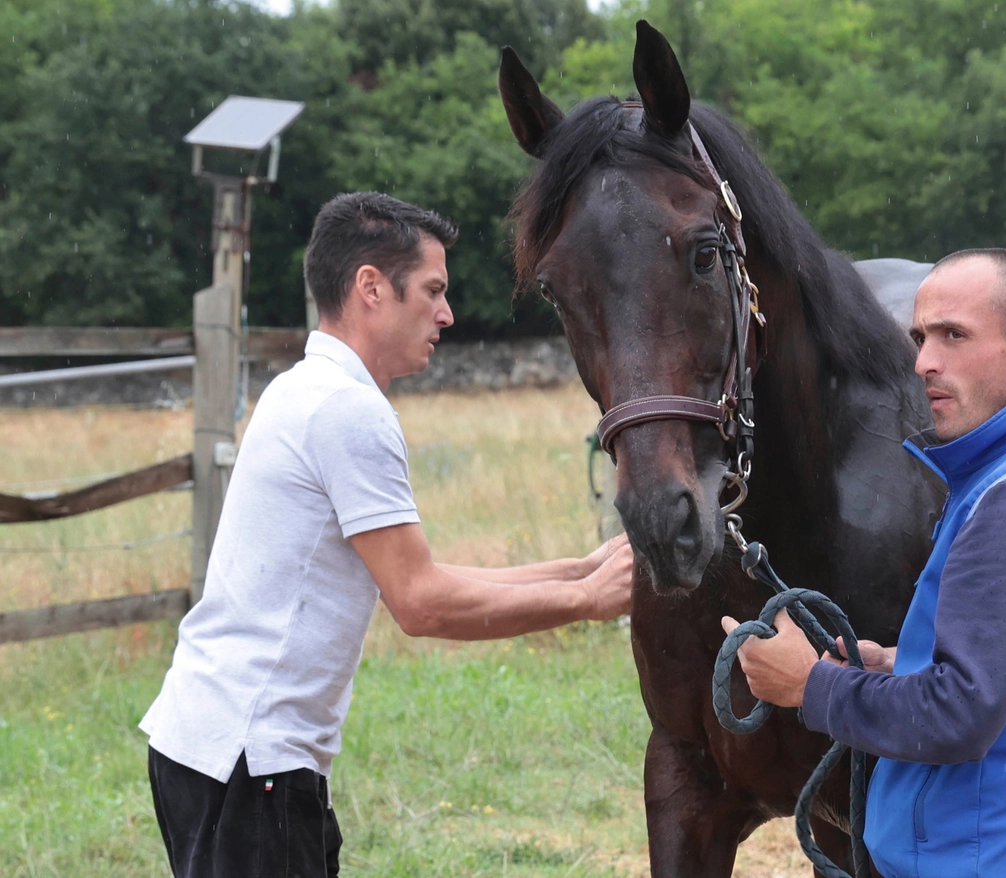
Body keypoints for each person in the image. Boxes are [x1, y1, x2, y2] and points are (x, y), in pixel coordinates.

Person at [139, 192, 635, 878]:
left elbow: (416, 572)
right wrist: (587, 602)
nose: (447, 315)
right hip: (251, 761)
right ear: (372, 287)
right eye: (433, 291)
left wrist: (579, 570)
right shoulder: (349, 412)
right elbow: (421, 603)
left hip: (215, 748)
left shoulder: (302, 387)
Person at [722, 248, 1006, 876]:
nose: (923, 362)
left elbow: (960, 715)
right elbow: (999, 675)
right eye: (920, 337)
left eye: (953, 336)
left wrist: (809, 684)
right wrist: (895, 663)